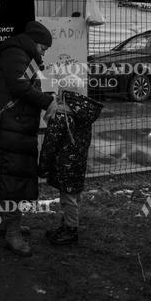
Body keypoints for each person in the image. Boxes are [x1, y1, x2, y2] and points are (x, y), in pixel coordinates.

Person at [0, 19, 56, 256]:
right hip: (9, 129)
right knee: (12, 182)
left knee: (7, 178)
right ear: (34, 43)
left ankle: (6, 223)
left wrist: (44, 92)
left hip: (14, 127)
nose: (44, 52)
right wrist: (47, 101)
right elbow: (20, 87)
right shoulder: (15, 54)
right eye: (43, 48)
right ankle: (13, 234)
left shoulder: (25, 57)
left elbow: (28, 86)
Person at [39, 89, 103, 245]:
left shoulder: (61, 115)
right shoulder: (83, 114)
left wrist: (42, 167)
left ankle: (70, 230)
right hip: (78, 163)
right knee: (73, 196)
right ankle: (66, 224)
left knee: (68, 199)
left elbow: (50, 144)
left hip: (64, 165)